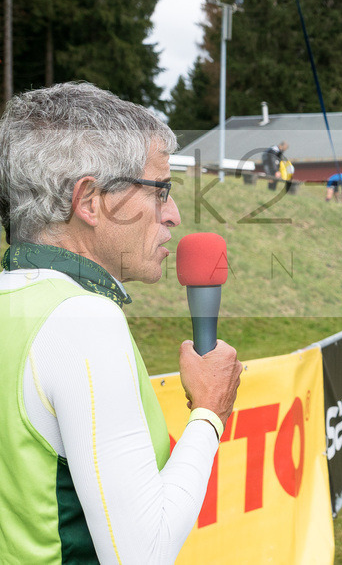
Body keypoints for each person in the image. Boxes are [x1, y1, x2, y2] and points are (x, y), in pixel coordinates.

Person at [0, 82, 243, 563]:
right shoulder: (82, 320)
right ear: (90, 201)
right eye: (161, 191)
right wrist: (210, 413)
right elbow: (143, 553)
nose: (173, 215)